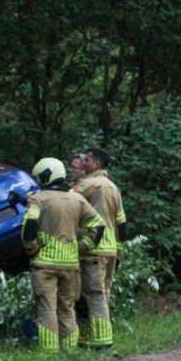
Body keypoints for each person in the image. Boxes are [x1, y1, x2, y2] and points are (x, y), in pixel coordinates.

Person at [22, 157, 105, 351]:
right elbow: (99, 225)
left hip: (45, 266)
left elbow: (30, 226)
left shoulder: (38, 199)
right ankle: (70, 352)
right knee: (67, 309)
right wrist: (82, 247)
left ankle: (49, 353)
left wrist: (31, 248)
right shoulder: (77, 199)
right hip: (70, 265)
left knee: (47, 309)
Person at [73, 147, 127, 348]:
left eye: (86, 159)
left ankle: (102, 340)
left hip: (93, 249)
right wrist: (119, 250)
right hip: (110, 250)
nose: (82, 163)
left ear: (96, 164)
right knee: (102, 293)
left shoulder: (86, 185)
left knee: (93, 295)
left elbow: (64, 205)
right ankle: (88, 338)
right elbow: (122, 223)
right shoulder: (113, 187)